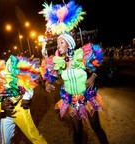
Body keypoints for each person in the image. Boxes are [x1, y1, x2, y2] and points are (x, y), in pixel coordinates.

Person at [39, 1, 108, 144]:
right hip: (70, 100)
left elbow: (99, 65)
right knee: (77, 132)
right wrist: (46, 83)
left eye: (61, 42)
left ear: (69, 43)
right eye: (57, 43)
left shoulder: (82, 56)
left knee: (96, 128)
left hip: (87, 98)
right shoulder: (57, 62)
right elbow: (50, 77)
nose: (58, 45)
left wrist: (94, 76)